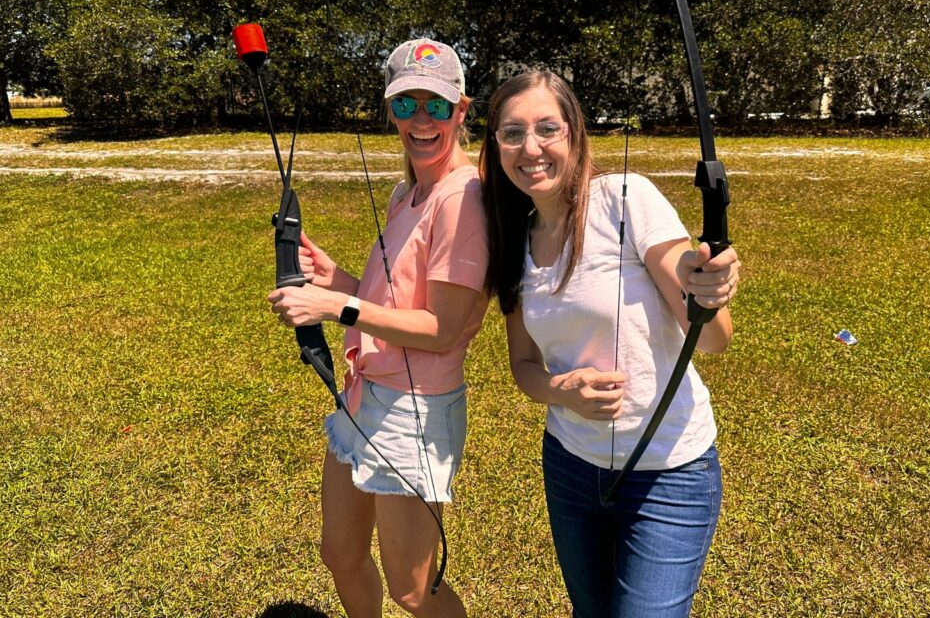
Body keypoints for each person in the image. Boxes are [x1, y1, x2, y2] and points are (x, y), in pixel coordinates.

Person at [478, 70, 741, 618]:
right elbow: (523, 366)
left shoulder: (626, 199)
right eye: (512, 133)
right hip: (572, 466)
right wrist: (562, 391)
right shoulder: (512, 239)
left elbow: (712, 338)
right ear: (495, 145)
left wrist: (706, 290)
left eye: (547, 128)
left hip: (670, 471)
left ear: (574, 132)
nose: (531, 148)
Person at [268, 38, 488, 618]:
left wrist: (331, 306)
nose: (421, 120)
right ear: (389, 110)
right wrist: (333, 277)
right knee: (339, 552)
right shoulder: (408, 192)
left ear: (461, 111)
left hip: (414, 409)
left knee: (415, 589)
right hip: (365, 392)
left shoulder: (463, 199)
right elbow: (390, 295)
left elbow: (441, 328)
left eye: (436, 106)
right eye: (405, 104)